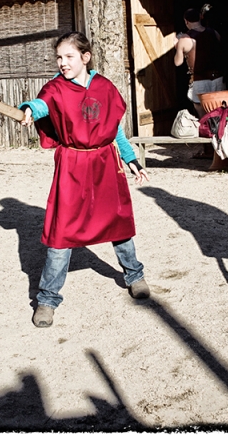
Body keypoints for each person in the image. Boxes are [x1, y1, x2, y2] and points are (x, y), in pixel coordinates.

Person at [18, 31, 151, 328]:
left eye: (69, 57)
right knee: (61, 233)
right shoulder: (55, 88)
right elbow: (42, 105)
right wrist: (29, 108)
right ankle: (47, 299)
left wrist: (131, 161)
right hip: (73, 163)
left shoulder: (104, 87)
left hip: (105, 162)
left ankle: (134, 276)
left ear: (85, 57)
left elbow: (115, 130)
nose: (63, 63)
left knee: (117, 221)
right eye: (59, 58)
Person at [174, 5, 226, 168]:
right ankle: (219, 150)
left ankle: (210, 151)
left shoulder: (185, 39)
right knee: (218, 114)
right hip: (218, 77)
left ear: (186, 21)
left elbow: (178, 62)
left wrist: (177, 46)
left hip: (200, 80)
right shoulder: (215, 33)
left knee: (204, 117)